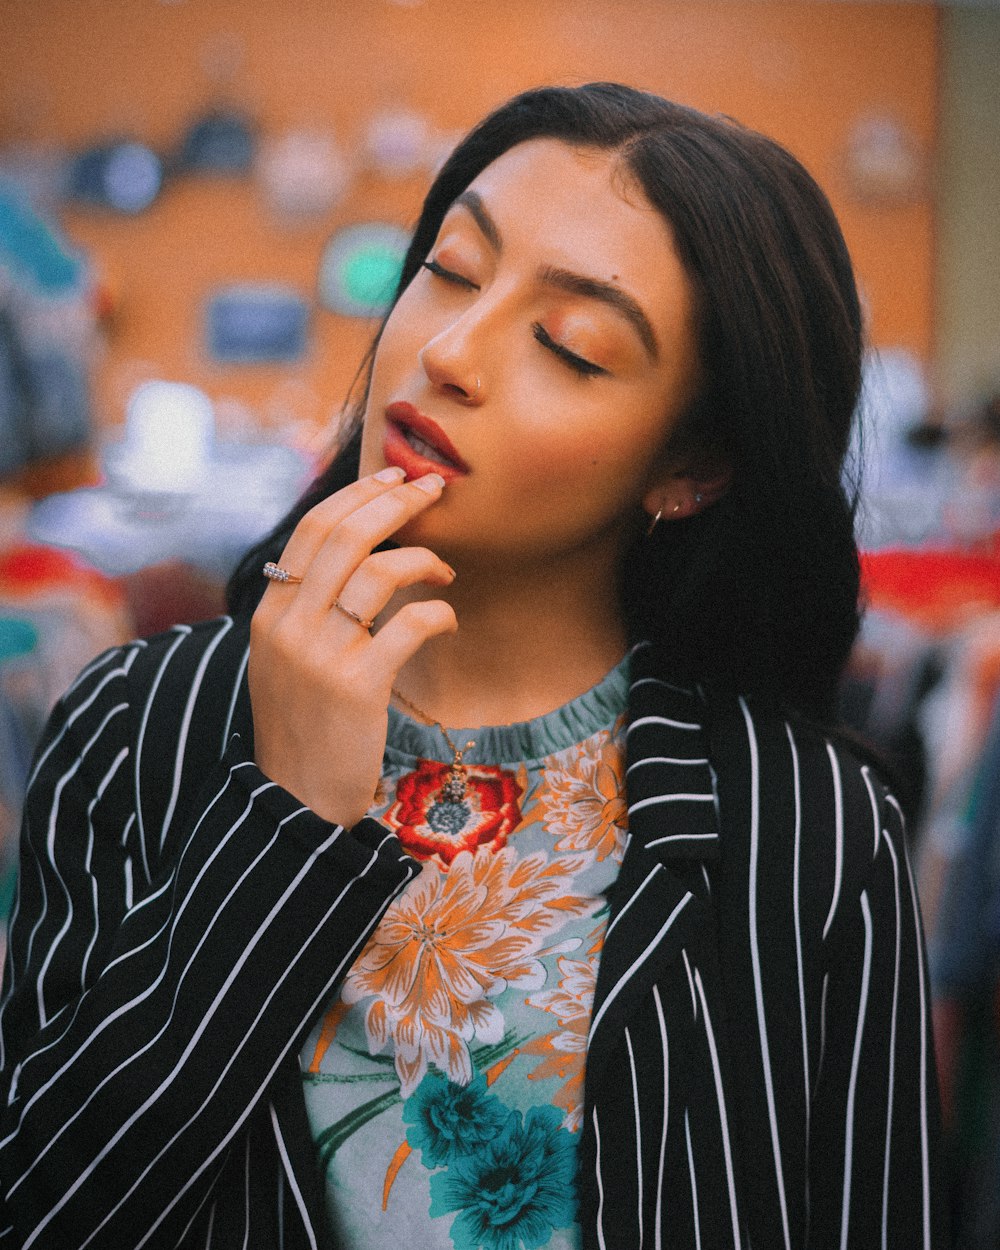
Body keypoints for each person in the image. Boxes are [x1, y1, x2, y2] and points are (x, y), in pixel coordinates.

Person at [0, 83, 946, 1250]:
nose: (447, 351)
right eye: (450, 270)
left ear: (692, 465)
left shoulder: (806, 826)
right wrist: (281, 819)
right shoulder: (139, 727)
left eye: (570, 344)